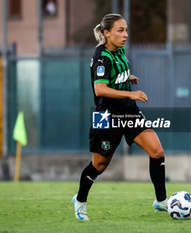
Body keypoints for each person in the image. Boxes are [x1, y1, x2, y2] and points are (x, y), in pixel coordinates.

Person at [72, 13, 167, 221]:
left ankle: (161, 201)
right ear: (107, 33)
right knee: (99, 165)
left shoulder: (120, 51)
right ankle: (79, 200)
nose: (125, 34)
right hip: (106, 116)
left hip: (129, 112)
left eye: (126, 30)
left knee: (157, 151)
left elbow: (113, 77)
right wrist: (130, 93)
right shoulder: (101, 56)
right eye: (120, 30)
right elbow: (100, 89)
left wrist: (126, 78)